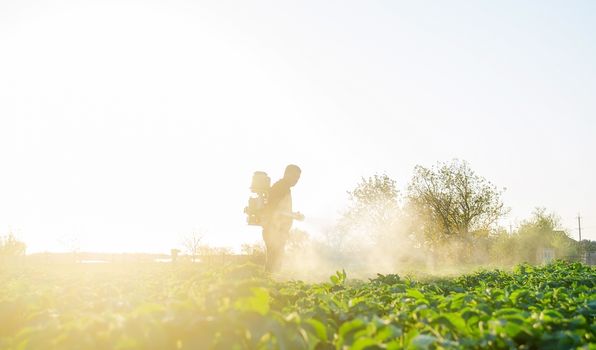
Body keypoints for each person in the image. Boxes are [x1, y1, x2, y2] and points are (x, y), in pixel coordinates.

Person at [262, 164, 304, 272]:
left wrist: (293, 215)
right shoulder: (281, 188)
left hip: (278, 231)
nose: (296, 180)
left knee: (275, 261)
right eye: (295, 176)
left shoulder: (284, 188)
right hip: (274, 230)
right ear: (287, 174)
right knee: (274, 263)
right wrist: (294, 215)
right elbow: (275, 210)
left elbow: (281, 210)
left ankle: (270, 284)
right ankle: (269, 284)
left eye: (298, 178)